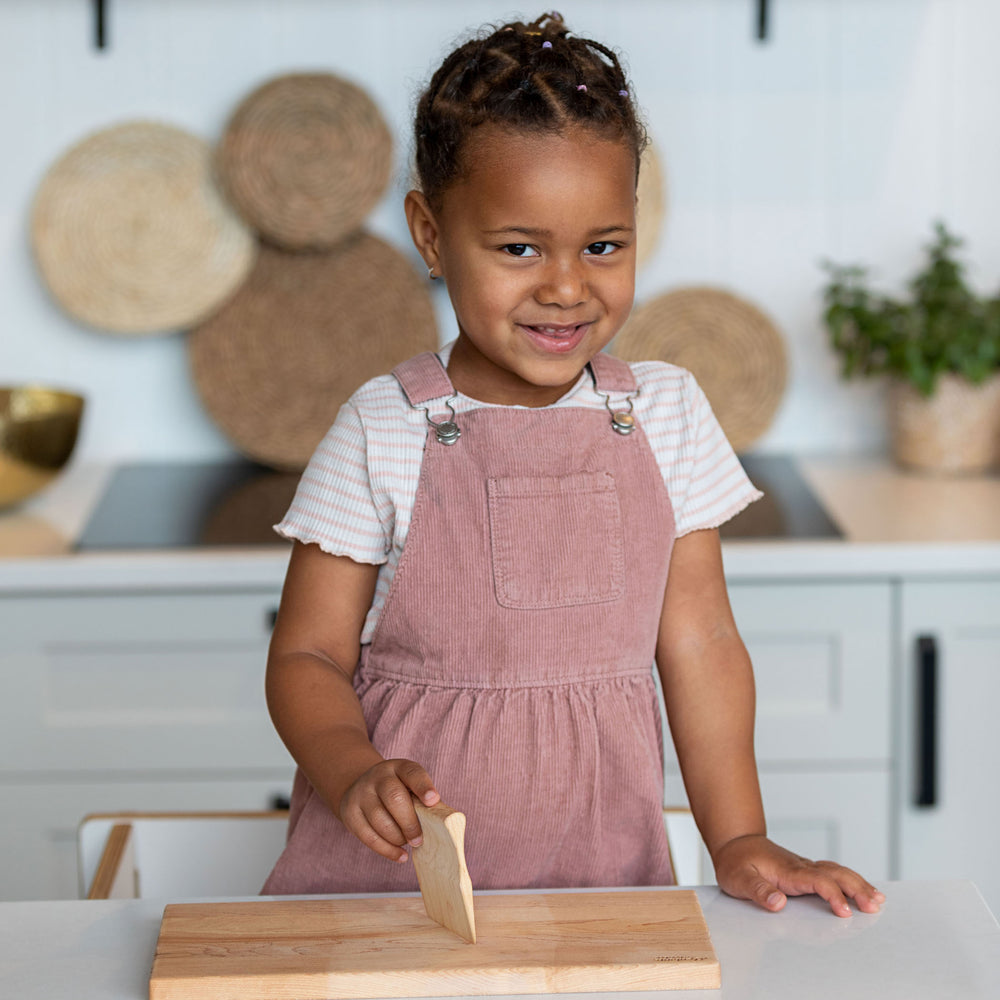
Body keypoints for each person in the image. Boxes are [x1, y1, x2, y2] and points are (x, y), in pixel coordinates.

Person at [262, 11, 884, 918]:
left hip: (603, 889)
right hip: (387, 897)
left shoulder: (663, 413)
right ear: (431, 235)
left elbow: (703, 643)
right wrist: (352, 769)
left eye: (603, 245)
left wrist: (739, 838)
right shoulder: (383, 426)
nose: (566, 285)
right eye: (518, 248)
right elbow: (308, 653)